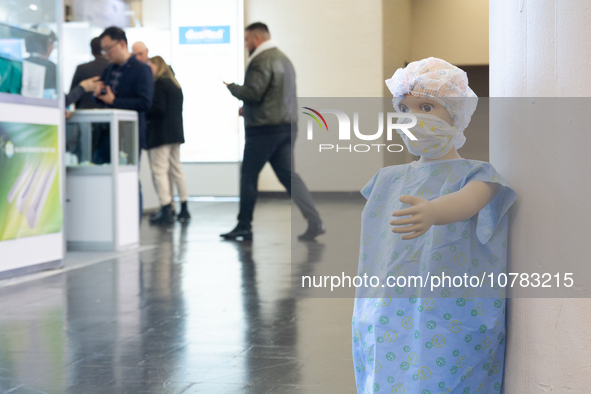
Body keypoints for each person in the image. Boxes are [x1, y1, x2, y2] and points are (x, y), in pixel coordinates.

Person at [351, 57, 517, 393]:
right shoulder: (387, 179)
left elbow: (471, 201)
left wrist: (435, 211)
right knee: (386, 372)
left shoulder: (476, 174)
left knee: (444, 377)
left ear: (455, 114)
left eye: (427, 106)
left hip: (451, 312)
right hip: (388, 309)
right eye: (404, 108)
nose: (414, 118)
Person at [222, 22, 325, 241]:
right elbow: (273, 96)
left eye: (247, 39)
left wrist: (232, 87)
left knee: (248, 175)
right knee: (289, 177)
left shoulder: (260, 60)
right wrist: (247, 110)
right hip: (287, 128)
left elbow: (254, 92)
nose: (246, 44)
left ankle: (244, 226)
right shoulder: (284, 60)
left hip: (264, 130)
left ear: (257, 39)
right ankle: (315, 222)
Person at [94, 26, 154, 222]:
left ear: (122, 44)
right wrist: (98, 96)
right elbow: (104, 98)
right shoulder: (108, 69)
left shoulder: (141, 69)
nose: (106, 53)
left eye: (109, 48)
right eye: (104, 50)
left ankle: (131, 225)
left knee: (129, 182)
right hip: (105, 134)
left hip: (129, 136)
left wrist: (114, 101)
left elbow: (145, 103)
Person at [146, 56, 191, 224]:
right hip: (176, 133)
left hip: (161, 134)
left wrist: (145, 109)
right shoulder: (175, 84)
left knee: (160, 170)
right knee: (176, 169)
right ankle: (184, 206)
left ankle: (166, 207)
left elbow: (158, 108)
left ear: (158, 66)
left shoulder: (159, 84)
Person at [69, 37, 109, 109]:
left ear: (92, 51)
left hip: (83, 114)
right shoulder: (111, 68)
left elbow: (72, 96)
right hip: (107, 113)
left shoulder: (81, 68)